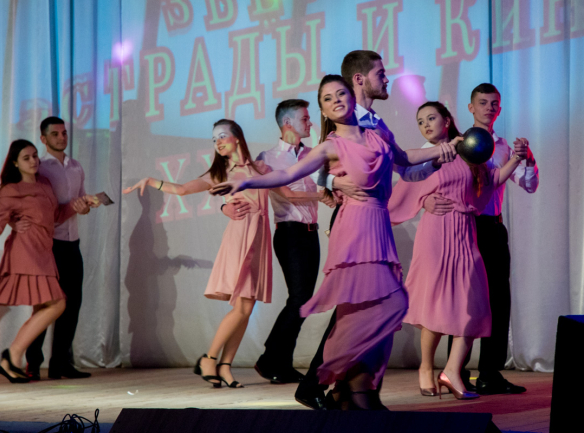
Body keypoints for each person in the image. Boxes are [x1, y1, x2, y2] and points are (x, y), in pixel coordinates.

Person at [211, 75, 457, 410]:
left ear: (352, 98)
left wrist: (443, 150)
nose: (336, 100)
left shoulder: (377, 133)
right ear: (324, 110)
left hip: (379, 224)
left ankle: (352, 390)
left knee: (374, 308)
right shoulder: (330, 146)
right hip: (354, 227)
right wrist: (243, 183)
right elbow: (288, 175)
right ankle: (349, 387)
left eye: (340, 93)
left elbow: (405, 158)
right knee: (385, 305)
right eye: (327, 99)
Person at [295, 50, 445, 410]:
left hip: (373, 217)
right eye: (381, 73)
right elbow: (320, 168)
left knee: (364, 307)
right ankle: (335, 386)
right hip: (355, 218)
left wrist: (438, 156)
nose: (386, 79)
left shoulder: (374, 122)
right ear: (360, 79)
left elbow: (403, 166)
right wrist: (334, 182)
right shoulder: (346, 120)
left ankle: (344, 390)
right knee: (360, 307)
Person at [123, 119, 322, 388]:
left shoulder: (261, 168)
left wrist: (325, 196)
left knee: (246, 308)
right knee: (241, 308)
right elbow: (182, 189)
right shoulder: (221, 172)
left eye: (222, 136)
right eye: (214, 139)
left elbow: (289, 194)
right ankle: (208, 358)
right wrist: (151, 181)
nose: (217, 142)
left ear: (237, 137)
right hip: (240, 238)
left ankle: (225, 367)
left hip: (260, 238)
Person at [388, 101, 529, 399]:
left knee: (474, 305)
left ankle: (451, 370)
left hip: (465, 232)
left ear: (447, 120)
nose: (426, 125)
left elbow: (491, 181)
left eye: (431, 118)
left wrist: (517, 158)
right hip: (435, 234)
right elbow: (405, 189)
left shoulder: (468, 150)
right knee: (435, 304)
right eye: (420, 121)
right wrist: (423, 200)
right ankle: (426, 368)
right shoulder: (426, 155)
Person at [0, 140, 88, 383]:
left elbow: (55, 215)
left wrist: (77, 206)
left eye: (35, 156)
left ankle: (11, 360)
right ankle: (12, 355)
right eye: (26, 158)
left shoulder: (44, 183)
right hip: (26, 252)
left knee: (44, 307)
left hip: (44, 251)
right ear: (15, 162)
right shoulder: (11, 189)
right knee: (58, 304)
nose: (33, 161)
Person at [431, 84, 538, 395]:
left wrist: (528, 160)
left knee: (498, 301)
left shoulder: (503, 147)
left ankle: (490, 373)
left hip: (493, 227)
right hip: (465, 226)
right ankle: (456, 371)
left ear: (499, 109)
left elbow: (529, 185)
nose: (489, 108)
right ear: (470, 108)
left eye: (494, 103)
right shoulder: (458, 144)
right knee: (463, 300)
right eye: (483, 102)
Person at [220, 99, 333, 385]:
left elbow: (327, 184)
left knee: (304, 299)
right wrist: (224, 206)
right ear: (287, 123)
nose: (310, 123)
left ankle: (280, 362)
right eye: (305, 118)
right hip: (290, 234)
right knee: (300, 299)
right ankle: (270, 358)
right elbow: (284, 193)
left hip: (311, 232)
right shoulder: (267, 159)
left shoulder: (313, 154)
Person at [21, 117, 95, 381]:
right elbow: (39, 209)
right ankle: (33, 363)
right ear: (43, 139)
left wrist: (84, 206)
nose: (62, 137)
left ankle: (60, 364)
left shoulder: (76, 167)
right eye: (55, 134)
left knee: (72, 305)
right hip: (48, 244)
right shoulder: (40, 169)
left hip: (72, 243)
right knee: (44, 305)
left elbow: (80, 201)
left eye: (64, 133)